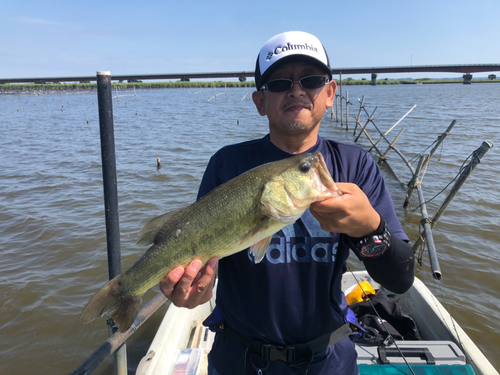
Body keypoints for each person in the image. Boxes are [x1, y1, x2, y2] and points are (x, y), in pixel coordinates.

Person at [159, 31, 415, 375]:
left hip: (328, 360)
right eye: (279, 83)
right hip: (240, 359)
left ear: (330, 94)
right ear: (260, 101)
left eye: (310, 80)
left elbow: (400, 278)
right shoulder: (227, 164)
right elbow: (201, 261)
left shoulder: (355, 166)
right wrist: (193, 292)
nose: (296, 90)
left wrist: (371, 228)